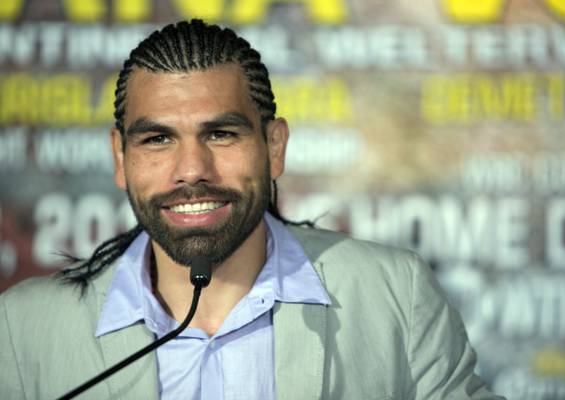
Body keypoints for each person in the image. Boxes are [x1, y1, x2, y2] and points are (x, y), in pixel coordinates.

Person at [0, 20, 503, 400]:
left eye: (221, 134)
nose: (192, 170)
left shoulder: (396, 295)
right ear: (119, 157)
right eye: (157, 139)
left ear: (274, 146)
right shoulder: (22, 328)